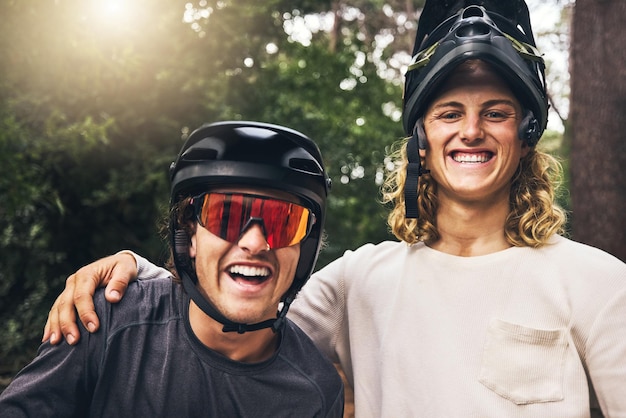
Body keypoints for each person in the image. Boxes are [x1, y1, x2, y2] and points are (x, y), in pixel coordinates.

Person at [41, 1, 626, 416]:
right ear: (421, 135)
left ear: (525, 134)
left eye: (495, 112)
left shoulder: (596, 282)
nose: (471, 131)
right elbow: (242, 307)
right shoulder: (361, 279)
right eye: (450, 113)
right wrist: (133, 275)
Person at [0, 121, 344, 417]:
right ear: (189, 237)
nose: (255, 243)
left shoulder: (315, 393)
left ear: (304, 249)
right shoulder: (106, 320)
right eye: (227, 216)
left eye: (283, 223)